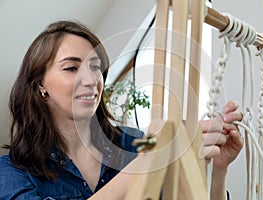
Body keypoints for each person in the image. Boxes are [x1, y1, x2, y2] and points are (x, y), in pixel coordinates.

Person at [0, 20, 243, 200]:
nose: (91, 79)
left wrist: (217, 170)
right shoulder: (11, 173)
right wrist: (145, 165)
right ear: (40, 85)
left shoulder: (137, 142)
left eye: (95, 67)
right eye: (72, 68)